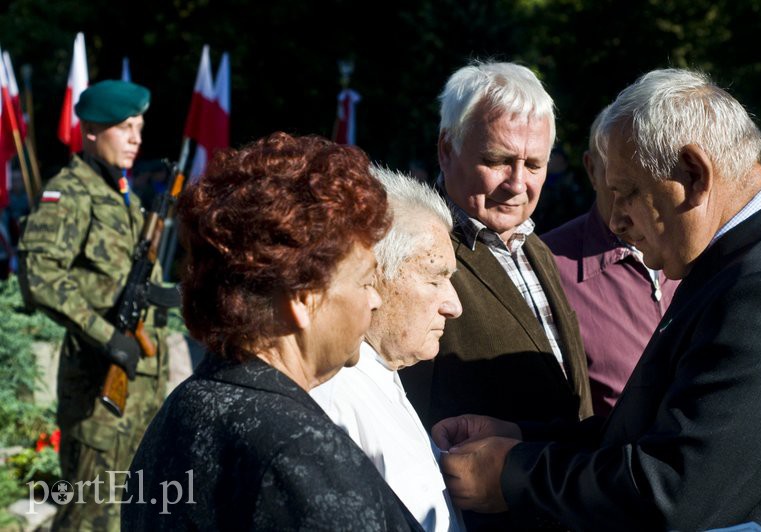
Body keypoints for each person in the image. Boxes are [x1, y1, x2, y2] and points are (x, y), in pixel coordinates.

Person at [433, 68, 761, 530]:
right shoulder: (743, 262)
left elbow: (674, 489)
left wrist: (513, 473)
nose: (617, 222)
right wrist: (523, 440)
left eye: (627, 193)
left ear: (693, 174)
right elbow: (654, 435)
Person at [122, 132, 423, 531]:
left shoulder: (184, 405)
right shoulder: (298, 452)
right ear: (302, 298)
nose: (375, 301)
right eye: (366, 282)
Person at [399, 60, 592, 530]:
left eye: (534, 164)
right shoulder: (414, 254)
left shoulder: (535, 247)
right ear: (447, 150)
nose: (517, 183)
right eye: (498, 160)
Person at [17, 80, 174, 530]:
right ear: (90, 131)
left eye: (139, 127)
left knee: (133, 512)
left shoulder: (125, 198)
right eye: (124, 128)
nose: (135, 138)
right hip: (98, 395)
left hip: (138, 392)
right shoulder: (70, 193)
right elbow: (40, 274)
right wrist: (107, 335)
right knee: (89, 517)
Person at [311, 167, 464, 532]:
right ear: (373, 275)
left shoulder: (381, 373)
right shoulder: (333, 395)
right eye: (434, 279)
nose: (454, 305)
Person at [541, 107, 679, 416]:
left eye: (648, 179)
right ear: (592, 169)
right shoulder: (545, 265)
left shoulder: (707, 253)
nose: (632, 205)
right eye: (620, 184)